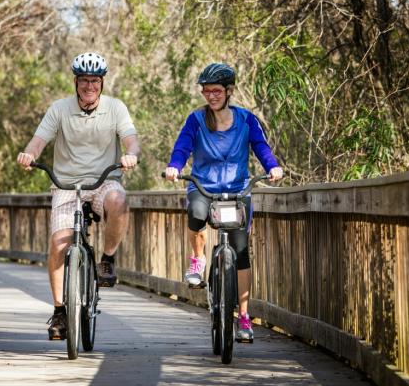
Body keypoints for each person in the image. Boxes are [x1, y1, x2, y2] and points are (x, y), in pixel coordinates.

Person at [17, 52, 140, 340]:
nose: (89, 86)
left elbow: (131, 140)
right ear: (75, 81)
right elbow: (38, 142)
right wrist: (28, 155)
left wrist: (131, 155)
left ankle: (107, 259)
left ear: (102, 83)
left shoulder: (115, 108)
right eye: (84, 80)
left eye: (94, 81)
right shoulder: (59, 109)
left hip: (103, 181)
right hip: (66, 185)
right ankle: (60, 309)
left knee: (119, 200)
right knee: (59, 244)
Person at [163, 62, 283, 342]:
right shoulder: (196, 119)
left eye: (216, 90)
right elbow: (182, 146)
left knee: (241, 252)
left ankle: (243, 317)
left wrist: (273, 166)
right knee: (196, 212)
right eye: (206, 91)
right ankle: (198, 260)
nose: (211, 96)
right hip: (204, 188)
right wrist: (174, 166)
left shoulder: (246, 120)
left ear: (229, 91)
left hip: (238, 191)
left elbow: (261, 146)